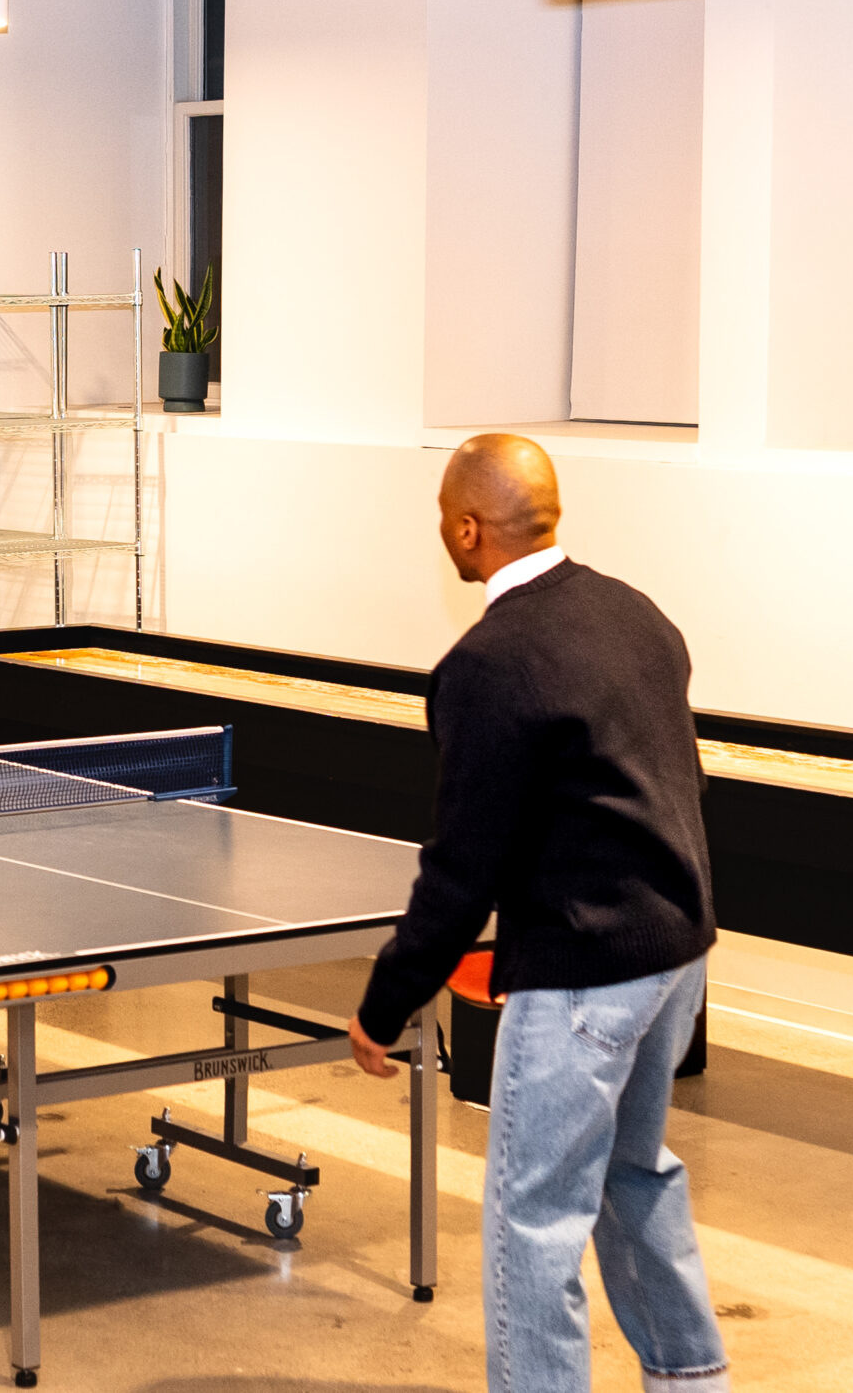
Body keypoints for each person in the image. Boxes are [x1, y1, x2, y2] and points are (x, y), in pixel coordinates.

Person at [348, 434, 728, 1393]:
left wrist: (385, 1002)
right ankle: (692, 1380)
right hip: (675, 955)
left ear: (469, 529)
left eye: (445, 518)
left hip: (584, 974)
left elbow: (462, 869)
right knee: (633, 1175)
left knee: (534, 1214)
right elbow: (677, 786)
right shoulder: (637, 613)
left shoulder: (487, 664)